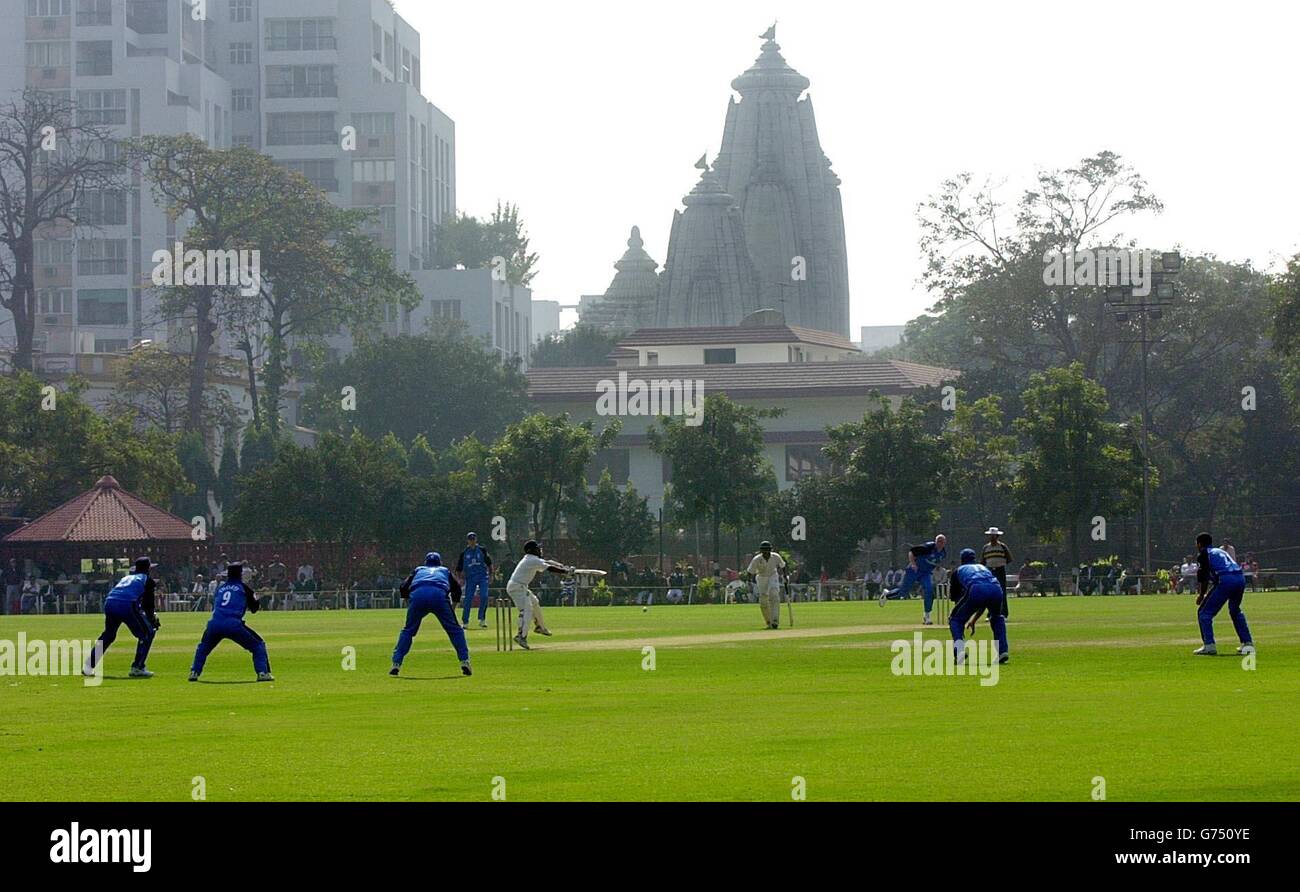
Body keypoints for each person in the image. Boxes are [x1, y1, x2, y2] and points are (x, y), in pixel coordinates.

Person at [189, 563, 274, 682]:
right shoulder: (244, 588)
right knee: (258, 645)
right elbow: (254, 609)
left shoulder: (220, 588)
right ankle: (263, 673)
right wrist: (259, 597)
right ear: (240, 575)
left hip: (215, 623)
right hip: (233, 624)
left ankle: (194, 672)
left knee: (203, 647)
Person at [390, 553, 470, 677]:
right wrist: (453, 607)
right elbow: (457, 589)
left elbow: (403, 586)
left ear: (426, 562)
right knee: (455, 630)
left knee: (408, 630)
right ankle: (464, 661)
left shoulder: (419, 569)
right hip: (438, 595)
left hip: (418, 595)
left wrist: (408, 602)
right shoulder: (444, 570)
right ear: (440, 562)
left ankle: (396, 663)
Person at [83, 557, 159, 679]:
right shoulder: (147, 580)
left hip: (110, 602)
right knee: (148, 633)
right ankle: (138, 667)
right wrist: (153, 620)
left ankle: (88, 666)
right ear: (148, 568)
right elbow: (148, 605)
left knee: (109, 635)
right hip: (126, 604)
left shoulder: (126, 577)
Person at [1193, 533, 1255, 657]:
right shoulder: (1220, 551)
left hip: (1225, 580)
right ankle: (1247, 644)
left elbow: (1203, 578)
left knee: (1204, 613)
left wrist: (1201, 595)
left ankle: (1209, 645)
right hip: (1239, 578)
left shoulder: (1204, 554)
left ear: (1199, 544)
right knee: (1235, 611)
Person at [948, 549, 1010, 665]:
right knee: (997, 618)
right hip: (996, 589)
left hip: (976, 588)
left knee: (955, 620)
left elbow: (956, 598)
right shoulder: (984, 568)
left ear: (961, 560)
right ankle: (1003, 651)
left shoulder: (958, 570)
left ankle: (959, 650)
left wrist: (963, 616)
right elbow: (984, 601)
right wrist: (973, 620)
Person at [505, 541, 569, 650]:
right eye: (538, 548)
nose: (540, 550)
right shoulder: (532, 560)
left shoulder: (532, 559)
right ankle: (521, 636)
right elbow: (549, 568)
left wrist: (562, 567)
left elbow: (547, 562)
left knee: (535, 602)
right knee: (527, 610)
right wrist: (565, 571)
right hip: (517, 587)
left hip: (521, 587)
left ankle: (540, 627)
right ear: (532, 550)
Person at [879, 534, 948, 626]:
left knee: (929, 590)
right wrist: (913, 564)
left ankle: (927, 616)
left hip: (925, 573)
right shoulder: (928, 547)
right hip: (914, 570)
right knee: (903, 592)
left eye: (942, 542)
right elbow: (911, 552)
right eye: (938, 541)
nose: (940, 543)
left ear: (945, 543)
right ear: (935, 541)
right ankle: (887, 594)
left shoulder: (943, 553)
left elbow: (934, 562)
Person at [746, 541, 788, 630]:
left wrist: (785, 576)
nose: (766, 553)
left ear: (770, 550)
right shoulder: (756, 559)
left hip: (773, 575)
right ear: (761, 551)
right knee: (763, 600)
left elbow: (783, 566)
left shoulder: (776, 556)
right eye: (764, 551)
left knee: (774, 595)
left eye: (767, 551)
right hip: (761, 578)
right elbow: (750, 571)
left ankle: (775, 621)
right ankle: (768, 621)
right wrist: (749, 582)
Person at [456, 532, 494, 630]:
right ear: (467, 541)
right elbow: (459, 568)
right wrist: (459, 579)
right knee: (468, 599)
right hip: (470, 578)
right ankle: (465, 621)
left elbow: (489, 563)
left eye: (473, 539)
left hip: (482, 577)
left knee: (484, 596)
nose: (472, 541)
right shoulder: (464, 553)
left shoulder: (482, 550)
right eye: (470, 539)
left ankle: (482, 619)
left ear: (476, 539)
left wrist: (491, 575)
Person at [980, 527, 1013, 615]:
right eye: (990, 536)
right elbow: (982, 561)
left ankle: (1003, 613)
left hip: (1000, 570)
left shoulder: (1002, 546)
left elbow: (1009, 558)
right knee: (990, 592)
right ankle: (991, 613)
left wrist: (1000, 563)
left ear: (997, 536)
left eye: (993, 536)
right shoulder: (986, 547)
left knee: (1002, 591)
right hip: (990, 571)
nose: (992, 538)